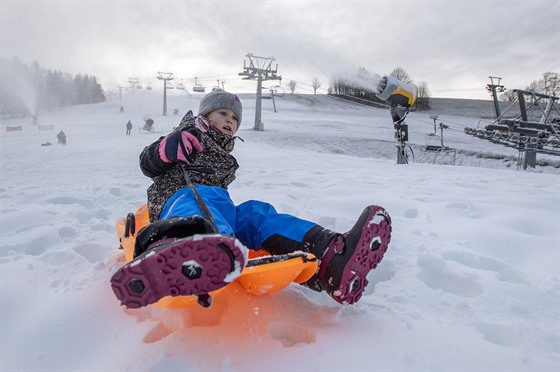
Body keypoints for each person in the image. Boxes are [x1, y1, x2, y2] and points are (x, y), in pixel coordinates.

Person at [111, 89, 392, 309]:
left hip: (222, 209)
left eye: (234, 119)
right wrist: (167, 148)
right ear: (205, 115)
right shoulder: (186, 135)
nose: (230, 121)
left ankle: (331, 256)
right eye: (223, 113)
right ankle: (183, 247)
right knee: (197, 205)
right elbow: (147, 165)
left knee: (258, 214)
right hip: (179, 197)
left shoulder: (224, 152)